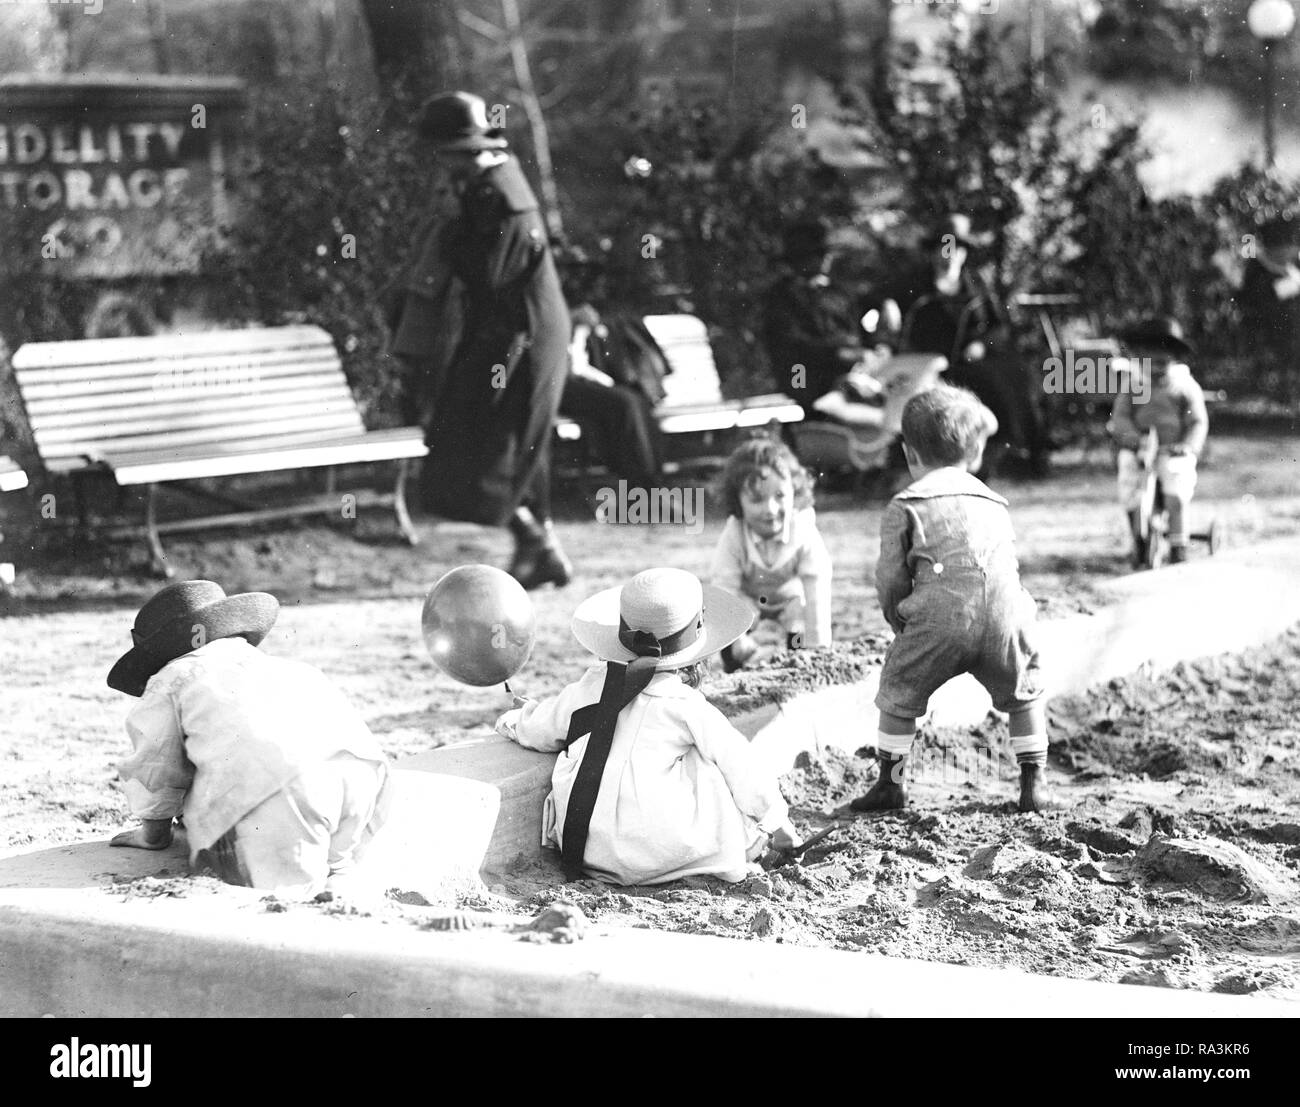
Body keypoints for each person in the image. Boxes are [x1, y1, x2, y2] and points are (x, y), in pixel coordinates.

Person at [495, 567, 800, 885]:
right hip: (659, 853)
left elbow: (540, 729)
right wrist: (779, 826)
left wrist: (516, 718)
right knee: (711, 763)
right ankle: (746, 847)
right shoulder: (683, 704)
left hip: (587, 849)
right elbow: (744, 769)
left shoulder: (591, 686)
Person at [107, 580, 392, 898]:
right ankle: (339, 874)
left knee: (285, 895)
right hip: (364, 777)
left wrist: (154, 833)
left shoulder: (172, 677)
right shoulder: (286, 667)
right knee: (336, 865)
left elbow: (156, 767)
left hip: (281, 788)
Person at [852, 384, 1048, 815]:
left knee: (899, 693)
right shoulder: (995, 501)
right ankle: (1034, 781)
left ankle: (891, 783)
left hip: (940, 620)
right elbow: (1006, 568)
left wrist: (899, 619)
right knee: (1024, 693)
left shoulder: (906, 504)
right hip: (1005, 617)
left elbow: (890, 577)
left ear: (910, 455)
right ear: (975, 452)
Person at [404, 91, 573, 590]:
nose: (441, 163)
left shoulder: (493, 195)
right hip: (514, 326)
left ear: (465, 150)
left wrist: (450, 233)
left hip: (521, 330)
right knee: (501, 437)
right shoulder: (492, 183)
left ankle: (537, 543)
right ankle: (539, 546)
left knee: (493, 437)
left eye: (445, 152)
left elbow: (488, 273)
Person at [874, 214, 1050, 476]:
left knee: (1019, 375)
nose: (949, 255)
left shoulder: (976, 285)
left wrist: (980, 343)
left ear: (964, 254)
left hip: (973, 359)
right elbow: (886, 316)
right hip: (932, 362)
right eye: (944, 248)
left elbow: (997, 327)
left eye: (955, 249)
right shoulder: (915, 286)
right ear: (933, 252)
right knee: (984, 383)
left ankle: (1022, 449)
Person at [709, 437, 832, 672]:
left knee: (800, 620)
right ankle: (747, 656)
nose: (770, 509)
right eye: (757, 499)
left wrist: (818, 651)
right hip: (749, 606)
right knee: (734, 645)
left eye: (780, 496)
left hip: (789, 603)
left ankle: (791, 653)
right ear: (738, 501)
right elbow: (724, 589)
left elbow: (818, 586)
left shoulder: (803, 529)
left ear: (794, 491)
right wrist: (738, 641)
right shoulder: (735, 532)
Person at [763, 219, 889, 429]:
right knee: (808, 383)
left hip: (848, 370)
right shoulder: (782, 296)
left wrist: (876, 347)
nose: (824, 259)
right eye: (816, 255)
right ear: (798, 259)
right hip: (802, 372)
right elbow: (792, 343)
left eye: (824, 254)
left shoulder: (838, 292)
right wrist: (840, 353)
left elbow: (859, 328)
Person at [1109, 317, 1208, 566]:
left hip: (1171, 450)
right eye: (1150, 362)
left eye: (1162, 363)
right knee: (1130, 483)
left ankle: (1178, 542)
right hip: (1140, 448)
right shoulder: (1134, 384)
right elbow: (1120, 416)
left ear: (1174, 359)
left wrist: (1188, 445)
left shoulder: (1183, 385)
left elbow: (1198, 420)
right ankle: (1138, 538)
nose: (1155, 369)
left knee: (1176, 486)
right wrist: (1132, 438)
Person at [559, 301, 664, 487]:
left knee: (637, 402)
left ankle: (650, 481)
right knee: (625, 403)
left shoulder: (584, 325)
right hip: (559, 384)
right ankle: (644, 485)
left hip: (579, 381)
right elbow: (573, 368)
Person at [1237, 216, 1300, 396]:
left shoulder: (1293, 264)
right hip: (1267, 320)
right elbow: (1251, 295)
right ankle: (1277, 386)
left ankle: (1287, 385)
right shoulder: (1257, 266)